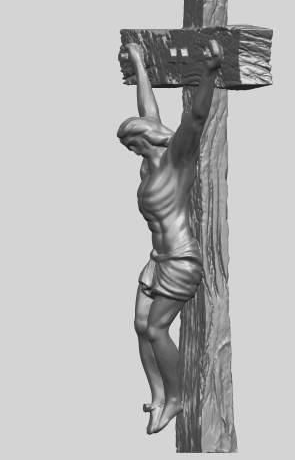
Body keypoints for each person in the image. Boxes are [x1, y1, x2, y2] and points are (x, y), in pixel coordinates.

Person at [118, 40, 221, 435]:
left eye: (131, 144)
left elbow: (196, 118)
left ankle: (176, 399)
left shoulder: (177, 160)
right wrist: (140, 63)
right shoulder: (149, 164)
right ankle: (158, 394)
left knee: (156, 329)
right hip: (157, 259)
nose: (130, 150)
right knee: (139, 324)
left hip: (180, 259)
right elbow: (150, 111)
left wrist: (210, 71)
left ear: (142, 141)